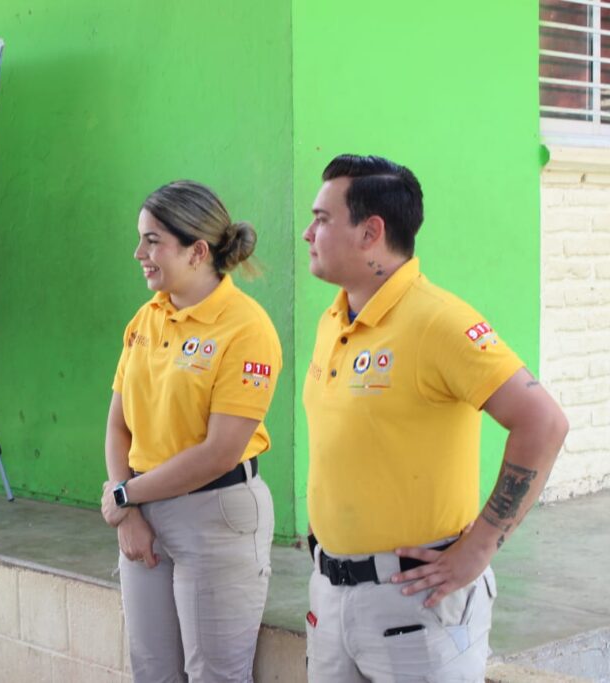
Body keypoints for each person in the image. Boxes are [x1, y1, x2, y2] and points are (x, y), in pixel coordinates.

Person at [301, 154, 569, 681]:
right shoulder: (335, 319)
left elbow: (543, 422)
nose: (309, 232)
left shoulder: (439, 322)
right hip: (329, 594)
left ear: (370, 232)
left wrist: (480, 548)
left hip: (415, 604)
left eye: (323, 219)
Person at [100, 180, 282, 682]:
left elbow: (220, 451)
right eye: (141, 239)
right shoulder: (147, 317)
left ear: (198, 251)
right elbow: (119, 424)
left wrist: (125, 494)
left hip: (215, 514)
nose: (139, 253)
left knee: (215, 676)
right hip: (142, 507)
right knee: (153, 672)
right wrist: (128, 508)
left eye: (153, 240)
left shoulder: (246, 327)